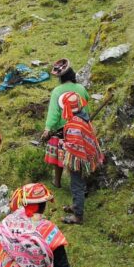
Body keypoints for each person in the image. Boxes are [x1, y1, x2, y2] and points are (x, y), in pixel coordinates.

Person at [47, 90, 103, 225]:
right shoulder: (83, 117)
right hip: (86, 155)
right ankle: (76, 205)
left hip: (78, 159)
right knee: (77, 183)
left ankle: (78, 216)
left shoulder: (74, 124)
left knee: (76, 185)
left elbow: (74, 145)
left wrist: (63, 144)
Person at [41, 59, 91, 189]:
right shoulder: (81, 88)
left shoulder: (57, 91)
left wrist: (48, 129)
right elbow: (85, 104)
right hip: (80, 127)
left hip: (63, 130)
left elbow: (54, 113)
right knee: (79, 156)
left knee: (59, 157)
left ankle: (57, 182)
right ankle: (81, 183)